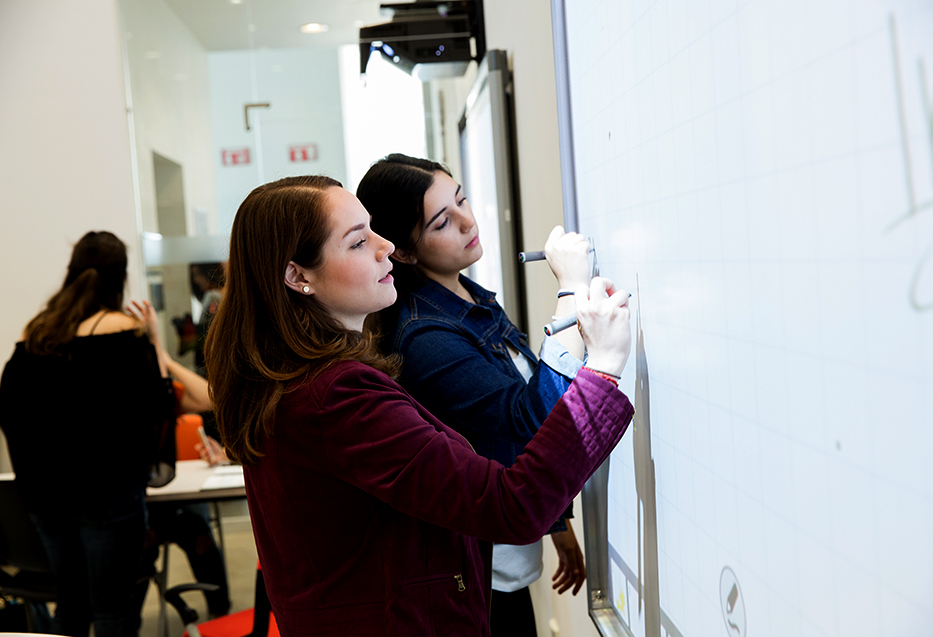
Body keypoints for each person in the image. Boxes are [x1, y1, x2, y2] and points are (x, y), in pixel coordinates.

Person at [204, 175, 634, 637]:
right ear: (298, 276)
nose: (385, 246)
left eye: (374, 229)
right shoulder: (335, 398)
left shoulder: (302, 381)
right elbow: (513, 504)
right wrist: (602, 370)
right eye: (357, 242)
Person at [356, 154, 590, 635]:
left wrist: (557, 523)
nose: (467, 221)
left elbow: (507, 431)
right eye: (443, 221)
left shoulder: (468, 295)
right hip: (475, 574)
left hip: (503, 553)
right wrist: (571, 290)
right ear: (403, 251)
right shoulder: (426, 338)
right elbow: (531, 418)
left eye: (461, 198)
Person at [0, 231, 177, 637]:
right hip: (110, 495)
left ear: (72, 271)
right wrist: (153, 340)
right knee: (113, 607)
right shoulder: (124, 332)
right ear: (120, 278)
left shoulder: (37, 336)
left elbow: (10, 414)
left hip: (45, 498)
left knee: (72, 606)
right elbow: (156, 406)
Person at [127, 301, 232, 619]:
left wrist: (162, 352)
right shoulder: (119, 395)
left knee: (197, 530)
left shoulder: (161, 391)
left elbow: (208, 396)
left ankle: (221, 612)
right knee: (139, 542)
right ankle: (127, 618)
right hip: (140, 506)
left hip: (177, 503)